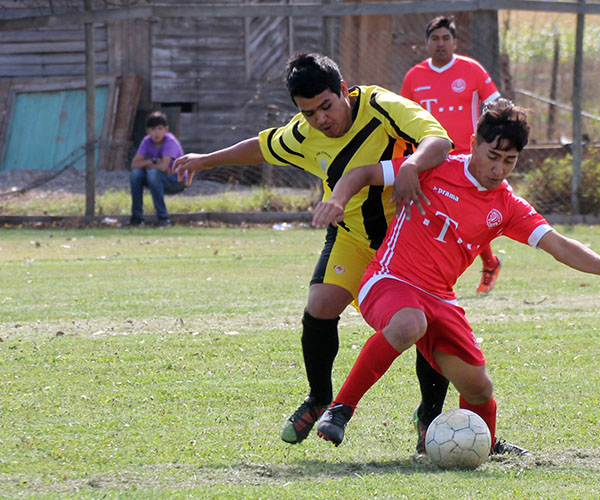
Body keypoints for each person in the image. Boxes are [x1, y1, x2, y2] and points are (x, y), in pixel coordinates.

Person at [309, 99, 600, 455]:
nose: (499, 169)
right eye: (492, 156)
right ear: (473, 144)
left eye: (510, 161)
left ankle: (484, 445)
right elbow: (360, 174)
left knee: (478, 389)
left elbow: (560, 245)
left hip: (440, 298)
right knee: (410, 323)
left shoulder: (506, 206)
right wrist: (338, 199)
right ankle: (341, 409)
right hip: (389, 280)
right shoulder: (434, 168)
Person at [172, 52, 454, 450]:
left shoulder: (381, 106)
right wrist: (205, 161)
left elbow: (438, 140)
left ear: (343, 90)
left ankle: (429, 417)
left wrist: (411, 166)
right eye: (309, 112)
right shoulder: (304, 135)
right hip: (353, 235)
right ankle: (319, 397)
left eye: (326, 106)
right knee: (320, 304)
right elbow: (261, 146)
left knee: (427, 326)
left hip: (408, 241)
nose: (321, 118)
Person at [401, 15, 504, 296]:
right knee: (431, 216)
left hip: (468, 159)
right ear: (427, 43)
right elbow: (403, 119)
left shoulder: (471, 69)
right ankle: (428, 273)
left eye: (446, 38)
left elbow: (495, 104)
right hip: (430, 159)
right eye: (435, 38)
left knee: (470, 217)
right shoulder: (414, 76)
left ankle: (487, 264)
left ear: (455, 42)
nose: (441, 43)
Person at [129, 111, 185, 227]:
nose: (156, 133)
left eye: (160, 129)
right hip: (157, 176)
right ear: (148, 131)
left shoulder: (170, 142)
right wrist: (153, 161)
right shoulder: (146, 141)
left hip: (176, 178)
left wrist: (147, 165)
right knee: (135, 175)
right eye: (153, 129)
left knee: (153, 173)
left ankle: (163, 218)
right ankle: (137, 218)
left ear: (166, 129)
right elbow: (134, 165)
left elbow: (164, 166)